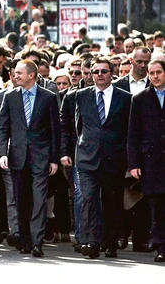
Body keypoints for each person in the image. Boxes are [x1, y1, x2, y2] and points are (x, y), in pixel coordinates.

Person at [61, 56, 132, 259]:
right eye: (96, 71)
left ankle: (110, 243)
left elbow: (129, 128)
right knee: (89, 198)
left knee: (111, 201)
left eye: (103, 71)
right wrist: (73, 149)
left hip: (113, 158)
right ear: (91, 74)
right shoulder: (81, 96)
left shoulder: (125, 97)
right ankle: (91, 241)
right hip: (86, 156)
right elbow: (75, 125)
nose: (99, 74)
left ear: (112, 74)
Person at [0, 59, 61, 258]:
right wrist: (2, 153)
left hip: (40, 158)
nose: (15, 76)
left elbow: (54, 131)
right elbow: (2, 128)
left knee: (39, 200)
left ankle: (37, 242)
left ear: (31, 75)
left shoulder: (48, 97)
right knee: (21, 200)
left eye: (19, 73)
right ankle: (24, 240)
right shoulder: (10, 96)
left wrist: (53, 159)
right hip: (17, 156)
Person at [126, 56, 165, 263]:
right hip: (151, 161)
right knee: (157, 207)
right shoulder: (140, 99)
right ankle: (161, 247)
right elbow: (133, 133)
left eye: (159, 72)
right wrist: (134, 163)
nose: (155, 76)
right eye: (152, 73)